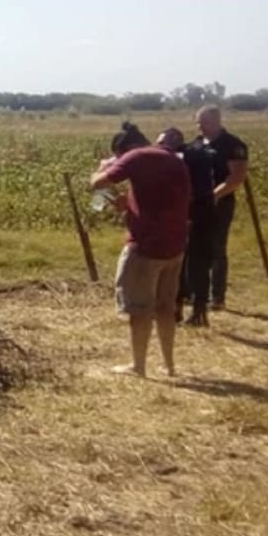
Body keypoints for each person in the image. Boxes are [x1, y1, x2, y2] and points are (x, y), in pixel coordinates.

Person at [90, 127, 190, 377]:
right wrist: (129, 202)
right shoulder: (170, 157)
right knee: (165, 308)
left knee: (139, 310)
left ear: (124, 150)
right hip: (174, 246)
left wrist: (103, 168)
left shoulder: (136, 157)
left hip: (146, 248)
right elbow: (157, 196)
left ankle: (138, 366)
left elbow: (97, 184)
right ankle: (169, 365)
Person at [192, 105, 249, 310]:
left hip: (220, 203)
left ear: (217, 121)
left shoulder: (233, 145)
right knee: (194, 247)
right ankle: (194, 292)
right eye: (198, 123)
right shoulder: (197, 144)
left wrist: (213, 196)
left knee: (216, 248)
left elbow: (236, 177)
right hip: (196, 203)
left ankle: (217, 297)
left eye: (205, 123)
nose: (200, 127)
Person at [165, 126, 217, 326]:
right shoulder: (198, 154)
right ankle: (191, 310)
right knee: (192, 263)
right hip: (201, 211)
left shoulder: (179, 158)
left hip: (192, 212)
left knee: (189, 262)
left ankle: (189, 310)